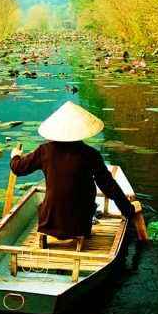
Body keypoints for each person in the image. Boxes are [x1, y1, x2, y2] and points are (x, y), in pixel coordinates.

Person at [10, 101, 136, 241]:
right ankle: (83, 229)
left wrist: (15, 156)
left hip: (50, 220)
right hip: (80, 223)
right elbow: (109, 187)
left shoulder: (44, 151)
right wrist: (128, 210)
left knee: (49, 200)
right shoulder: (91, 154)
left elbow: (18, 169)